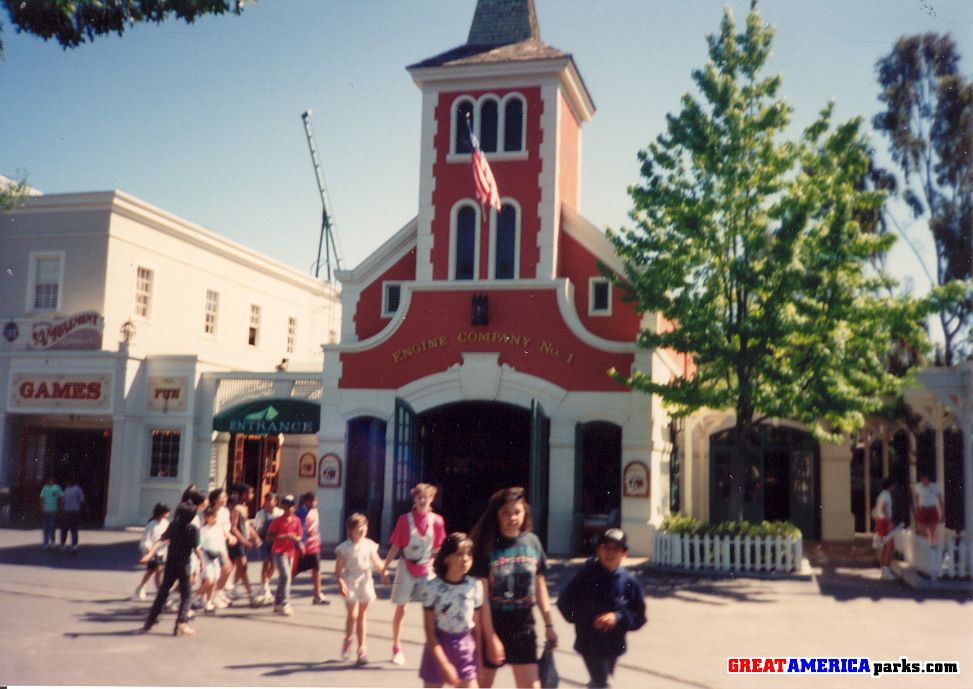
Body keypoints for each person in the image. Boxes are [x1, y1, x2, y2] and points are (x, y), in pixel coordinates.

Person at [469, 487, 557, 689]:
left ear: (524, 512)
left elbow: (540, 585)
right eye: (505, 513)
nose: (512, 518)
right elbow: (481, 598)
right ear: (496, 516)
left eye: (517, 512)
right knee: (482, 685)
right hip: (492, 624)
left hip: (523, 626)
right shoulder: (486, 547)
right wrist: (490, 638)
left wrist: (549, 625)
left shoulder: (532, 542)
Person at [556, 528, 647, 689]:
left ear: (624, 554)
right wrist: (587, 620)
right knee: (605, 684)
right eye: (606, 548)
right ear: (598, 550)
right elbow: (564, 603)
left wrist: (618, 617)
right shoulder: (586, 576)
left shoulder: (628, 582)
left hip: (614, 644)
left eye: (616, 549)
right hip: (589, 643)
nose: (610, 553)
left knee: (597, 683)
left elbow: (639, 615)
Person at [382, 483, 447, 666]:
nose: (422, 499)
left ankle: (436, 648)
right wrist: (385, 567)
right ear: (414, 499)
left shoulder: (437, 521)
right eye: (419, 496)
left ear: (432, 498)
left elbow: (438, 548)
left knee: (433, 608)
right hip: (406, 565)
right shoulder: (405, 519)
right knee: (401, 607)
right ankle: (396, 648)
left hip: (427, 566)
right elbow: (396, 545)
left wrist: (440, 568)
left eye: (426, 496)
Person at [419, 532, 484, 688]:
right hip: (438, 647)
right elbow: (429, 630)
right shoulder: (432, 587)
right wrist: (444, 664)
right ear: (446, 557)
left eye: (469, 554)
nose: (466, 558)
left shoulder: (475, 586)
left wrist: (480, 660)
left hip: (466, 648)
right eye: (460, 554)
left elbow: (477, 627)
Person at [141, 501, 203, 637]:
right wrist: (201, 561)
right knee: (187, 595)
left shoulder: (173, 525)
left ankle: (150, 621)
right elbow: (196, 548)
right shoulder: (193, 529)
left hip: (170, 564)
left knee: (163, 592)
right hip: (184, 565)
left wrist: (149, 554)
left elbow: (160, 540)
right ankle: (182, 623)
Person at [335, 512, 383, 666]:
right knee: (353, 615)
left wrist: (384, 570)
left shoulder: (369, 545)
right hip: (350, 581)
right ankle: (348, 639)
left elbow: (377, 562)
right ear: (350, 530)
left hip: (365, 580)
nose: (362, 530)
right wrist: (340, 582)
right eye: (358, 527)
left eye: (364, 526)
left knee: (362, 614)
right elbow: (338, 571)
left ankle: (362, 648)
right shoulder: (344, 548)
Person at [266, 494, 303, 616]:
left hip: (290, 552)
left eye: (291, 506)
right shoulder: (277, 521)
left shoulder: (296, 520)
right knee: (286, 576)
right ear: (282, 506)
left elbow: (299, 535)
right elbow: (269, 536)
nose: (289, 509)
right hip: (279, 551)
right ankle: (285, 603)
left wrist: (297, 540)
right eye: (286, 506)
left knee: (284, 578)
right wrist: (284, 536)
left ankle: (277, 603)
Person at [227, 483, 261, 606]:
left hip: (243, 542)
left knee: (236, 568)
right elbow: (233, 528)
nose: (252, 495)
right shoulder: (236, 508)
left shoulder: (245, 507)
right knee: (242, 566)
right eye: (250, 493)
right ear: (243, 495)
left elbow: (247, 525)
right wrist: (243, 541)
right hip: (238, 542)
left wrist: (255, 537)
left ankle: (232, 589)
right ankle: (251, 594)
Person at [295, 491, 330, 605]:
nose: (314, 503)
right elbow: (297, 529)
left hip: (314, 546)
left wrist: (319, 541)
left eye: (315, 501)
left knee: (317, 570)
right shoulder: (300, 513)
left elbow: (316, 528)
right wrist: (299, 543)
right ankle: (280, 595)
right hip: (302, 547)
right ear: (306, 501)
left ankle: (317, 595)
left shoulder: (315, 512)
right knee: (292, 571)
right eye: (311, 500)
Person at [135, 503, 170, 600]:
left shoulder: (166, 523)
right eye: (167, 512)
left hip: (161, 550)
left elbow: (167, 535)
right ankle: (143, 587)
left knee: (159, 570)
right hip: (150, 549)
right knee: (152, 570)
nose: (168, 514)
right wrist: (150, 553)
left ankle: (157, 589)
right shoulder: (151, 524)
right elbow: (147, 539)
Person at [252, 491, 282, 605]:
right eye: (267, 500)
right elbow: (257, 528)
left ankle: (264, 584)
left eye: (271, 500)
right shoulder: (260, 514)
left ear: (276, 502)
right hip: (264, 541)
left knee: (274, 564)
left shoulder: (280, 513)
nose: (268, 503)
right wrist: (257, 539)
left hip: (276, 541)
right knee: (265, 563)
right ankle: (265, 587)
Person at [197, 507, 229, 613]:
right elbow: (199, 546)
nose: (215, 519)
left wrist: (225, 558)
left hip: (216, 557)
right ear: (206, 518)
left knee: (214, 580)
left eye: (216, 517)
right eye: (212, 517)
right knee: (209, 580)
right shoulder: (202, 530)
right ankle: (195, 597)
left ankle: (208, 602)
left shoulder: (218, 530)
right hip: (206, 557)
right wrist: (201, 560)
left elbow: (222, 545)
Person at [872, 479, 897, 580]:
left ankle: (884, 570)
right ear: (890, 486)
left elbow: (877, 510)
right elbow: (883, 508)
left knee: (886, 547)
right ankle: (886, 571)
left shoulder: (882, 494)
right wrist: (890, 522)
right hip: (885, 522)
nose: (894, 487)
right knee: (890, 546)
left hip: (881, 521)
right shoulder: (886, 495)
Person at [59, 479, 85, 552]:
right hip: (71, 511)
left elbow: (82, 500)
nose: (65, 484)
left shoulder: (74, 489)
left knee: (69, 529)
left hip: (71, 511)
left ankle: (69, 545)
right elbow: (82, 500)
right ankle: (68, 545)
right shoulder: (70, 489)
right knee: (70, 529)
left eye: (66, 482)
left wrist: (61, 511)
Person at [38, 476, 63, 549]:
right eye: (49, 479)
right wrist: (41, 508)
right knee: (45, 527)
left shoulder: (57, 487)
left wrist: (60, 506)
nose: (50, 480)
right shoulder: (45, 488)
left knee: (52, 527)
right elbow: (42, 498)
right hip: (46, 510)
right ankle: (46, 544)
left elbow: (62, 496)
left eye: (52, 479)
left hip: (53, 510)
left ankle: (52, 542)